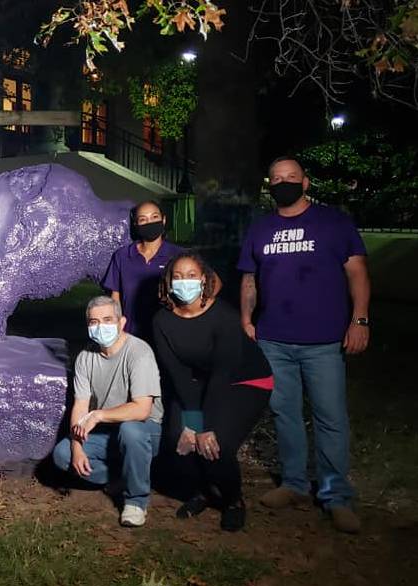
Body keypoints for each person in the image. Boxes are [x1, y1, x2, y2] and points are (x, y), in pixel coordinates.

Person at [238, 156, 370, 534]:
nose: (284, 183)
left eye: (291, 178)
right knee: (285, 414)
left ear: (306, 183)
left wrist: (359, 319)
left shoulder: (333, 223)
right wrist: (247, 319)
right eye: (277, 178)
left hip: (324, 341)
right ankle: (294, 484)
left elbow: (357, 271)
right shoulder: (260, 230)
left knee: (330, 417)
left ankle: (335, 495)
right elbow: (250, 279)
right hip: (274, 339)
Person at [152, 252, 272, 531]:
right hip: (198, 381)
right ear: (168, 282)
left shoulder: (224, 317)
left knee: (216, 444)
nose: (184, 282)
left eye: (191, 276)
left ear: (204, 280)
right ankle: (204, 491)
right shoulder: (162, 321)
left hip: (245, 380)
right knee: (179, 440)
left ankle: (232, 500)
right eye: (178, 277)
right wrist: (192, 424)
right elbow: (179, 374)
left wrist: (206, 427)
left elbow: (223, 373)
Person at [52, 296, 162, 527]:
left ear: (121, 322)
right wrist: (76, 445)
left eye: (107, 319)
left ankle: (136, 501)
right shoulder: (85, 358)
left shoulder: (139, 353)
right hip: (106, 430)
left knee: (130, 430)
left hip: (144, 429)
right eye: (94, 322)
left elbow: (142, 410)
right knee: (63, 455)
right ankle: (123, 476)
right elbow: (80, 405)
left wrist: (98, 415)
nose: (100, 326)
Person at [102, 200, 222, 342]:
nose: (149, 222)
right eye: (143, 219)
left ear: (163, 220)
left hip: (169, 335)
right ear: (136, 224)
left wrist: (195, 310)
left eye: (154, 217)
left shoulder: (178, 255)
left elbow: (215, 282)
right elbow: (115, 296)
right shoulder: (122, 256)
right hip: (131, 337)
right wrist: (117, 328)